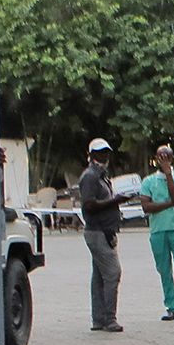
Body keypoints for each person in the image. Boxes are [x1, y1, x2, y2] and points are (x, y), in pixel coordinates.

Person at [141, 143, 174, 320]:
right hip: (158, 230)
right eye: (160, 156)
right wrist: (170, 205)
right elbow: (146, 206)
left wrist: (168, 174)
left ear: (171, 158)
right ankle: (171, 307)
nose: (162, 159)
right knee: (164, 270)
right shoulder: (148, 181)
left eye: (166, 156)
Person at [77, 136, 125, 333]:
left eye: (106, 152)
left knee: (99, 276)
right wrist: (115, 202)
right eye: (99, 153)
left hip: (103, 230)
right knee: (113, 273)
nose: (104, 156)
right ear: (91, 155)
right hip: (97, 231)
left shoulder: (101, 175)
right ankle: (109, 319)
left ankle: (99, 319)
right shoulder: (90, 176)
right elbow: (88, 204)